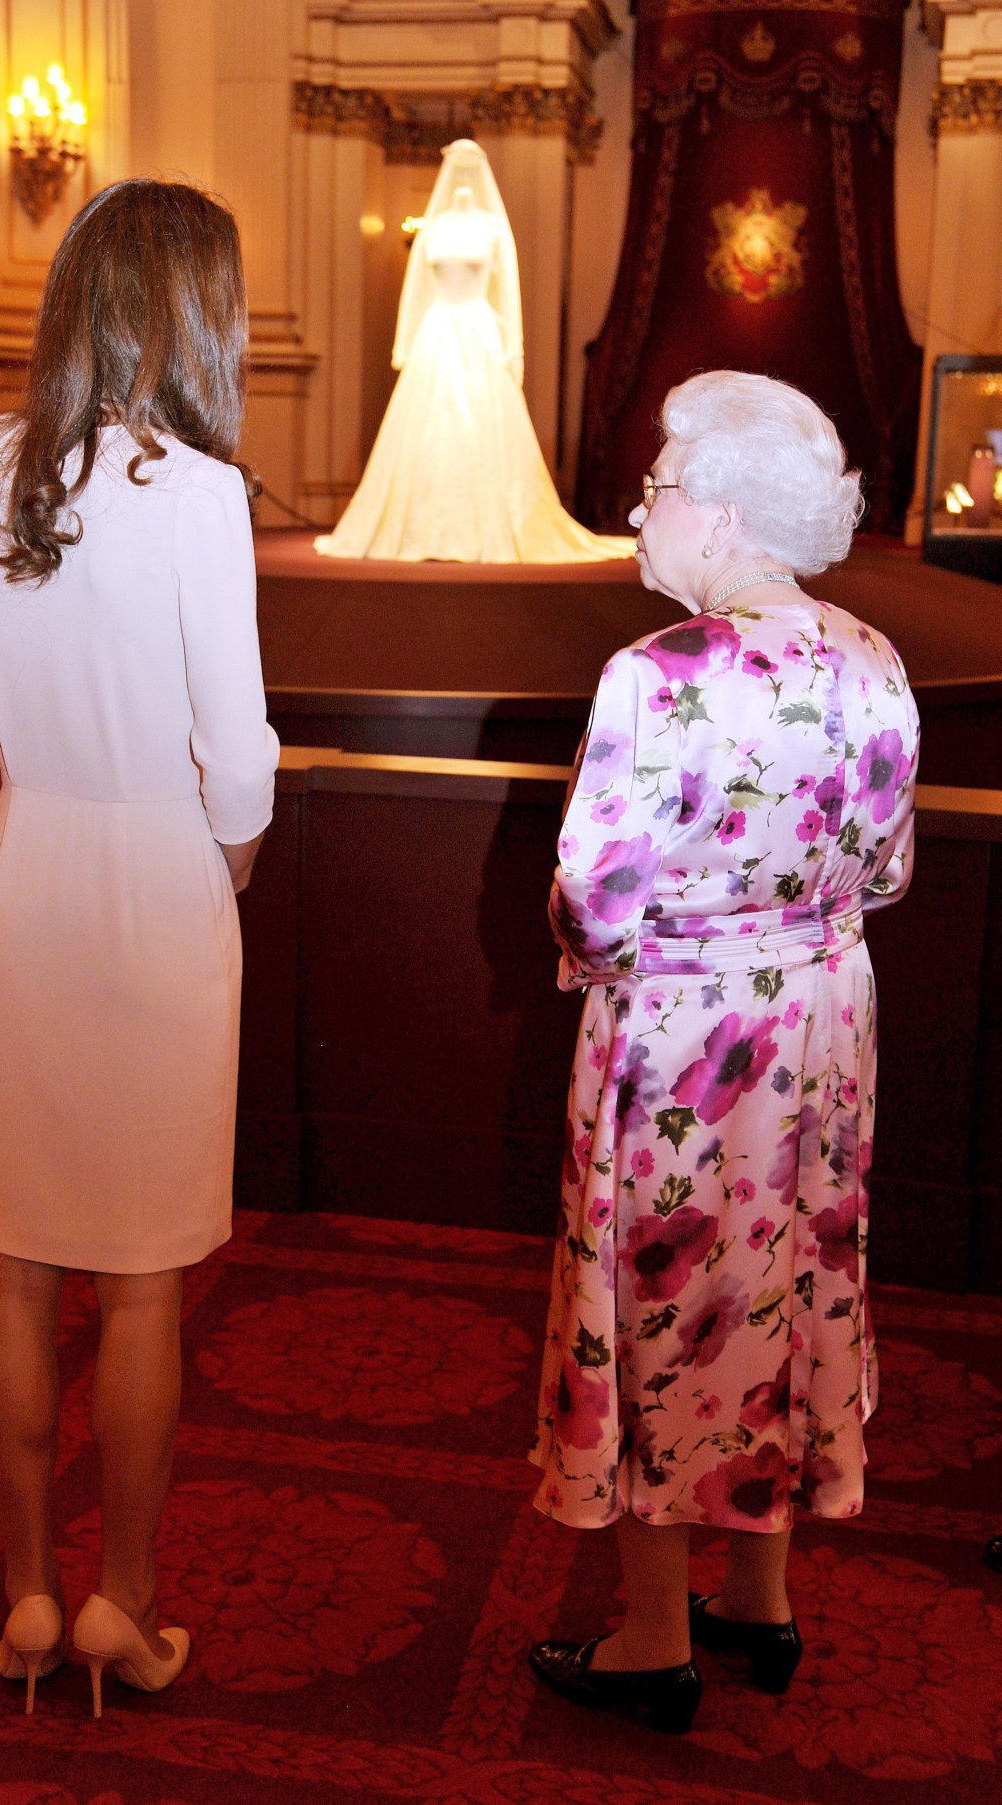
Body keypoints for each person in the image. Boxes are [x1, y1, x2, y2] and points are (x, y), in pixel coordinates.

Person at [0, 179, 278, 1718]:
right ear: (196, 312)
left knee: (14, 1265)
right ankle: (125, 1603)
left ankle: (25, 1597)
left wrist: (40, 821)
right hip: (159, 881)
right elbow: (240, 760)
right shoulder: (196, 494)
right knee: (139, 1287)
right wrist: (214, 867)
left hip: (31, 872)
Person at [526, 371, 919, 1733]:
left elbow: (593, 902)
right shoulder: (875, 659)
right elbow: (885, 870)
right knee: (790, 1286)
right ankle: (759, 1599)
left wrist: (654, 954)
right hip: (820, 1033)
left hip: (684, 1048)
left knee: (668, 1300)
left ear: (730, 510)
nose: (642, 508)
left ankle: (651, 1638)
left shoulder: (655, 678)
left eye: (660, 484)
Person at [315, 139, 634, 563]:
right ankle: (422, 527)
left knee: (482, 429)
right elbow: (415, 289)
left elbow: (508, 292)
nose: (463, 176)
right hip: (437, 331)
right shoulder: (435, 226)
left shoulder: (492, 227)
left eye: (471, 167)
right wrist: (405, 343)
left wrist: (512, 348)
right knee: (428, 431)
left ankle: (490, 525)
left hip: (480, 330)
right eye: (457, 167)